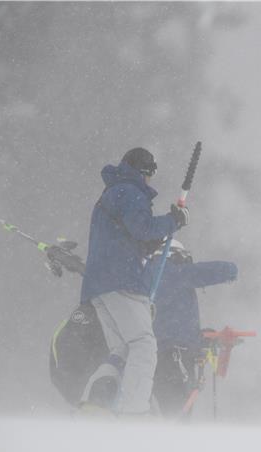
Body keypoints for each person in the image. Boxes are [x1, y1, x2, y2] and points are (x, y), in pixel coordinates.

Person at [79, 147, 189, 415]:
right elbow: (143, 228)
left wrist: (157, 236)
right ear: (145, 172)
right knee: (143, 345)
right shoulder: (130, 191)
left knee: (121, 350)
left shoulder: (113, 192)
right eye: (150, 176)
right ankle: (133, 413)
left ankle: (93, 406)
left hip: (99, 284)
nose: (150, 182)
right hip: (121, 280)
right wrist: (173, 220)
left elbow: (133, 236)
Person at [143, 240, 238, 417]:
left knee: (159, 413)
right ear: (174, 255)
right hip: (174, 359)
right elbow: (210, 272)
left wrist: (202, 337)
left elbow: (168, 322)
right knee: (177, 415)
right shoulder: (172, 271)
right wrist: (232, 270)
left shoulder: (146, 276)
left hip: (152, 357)